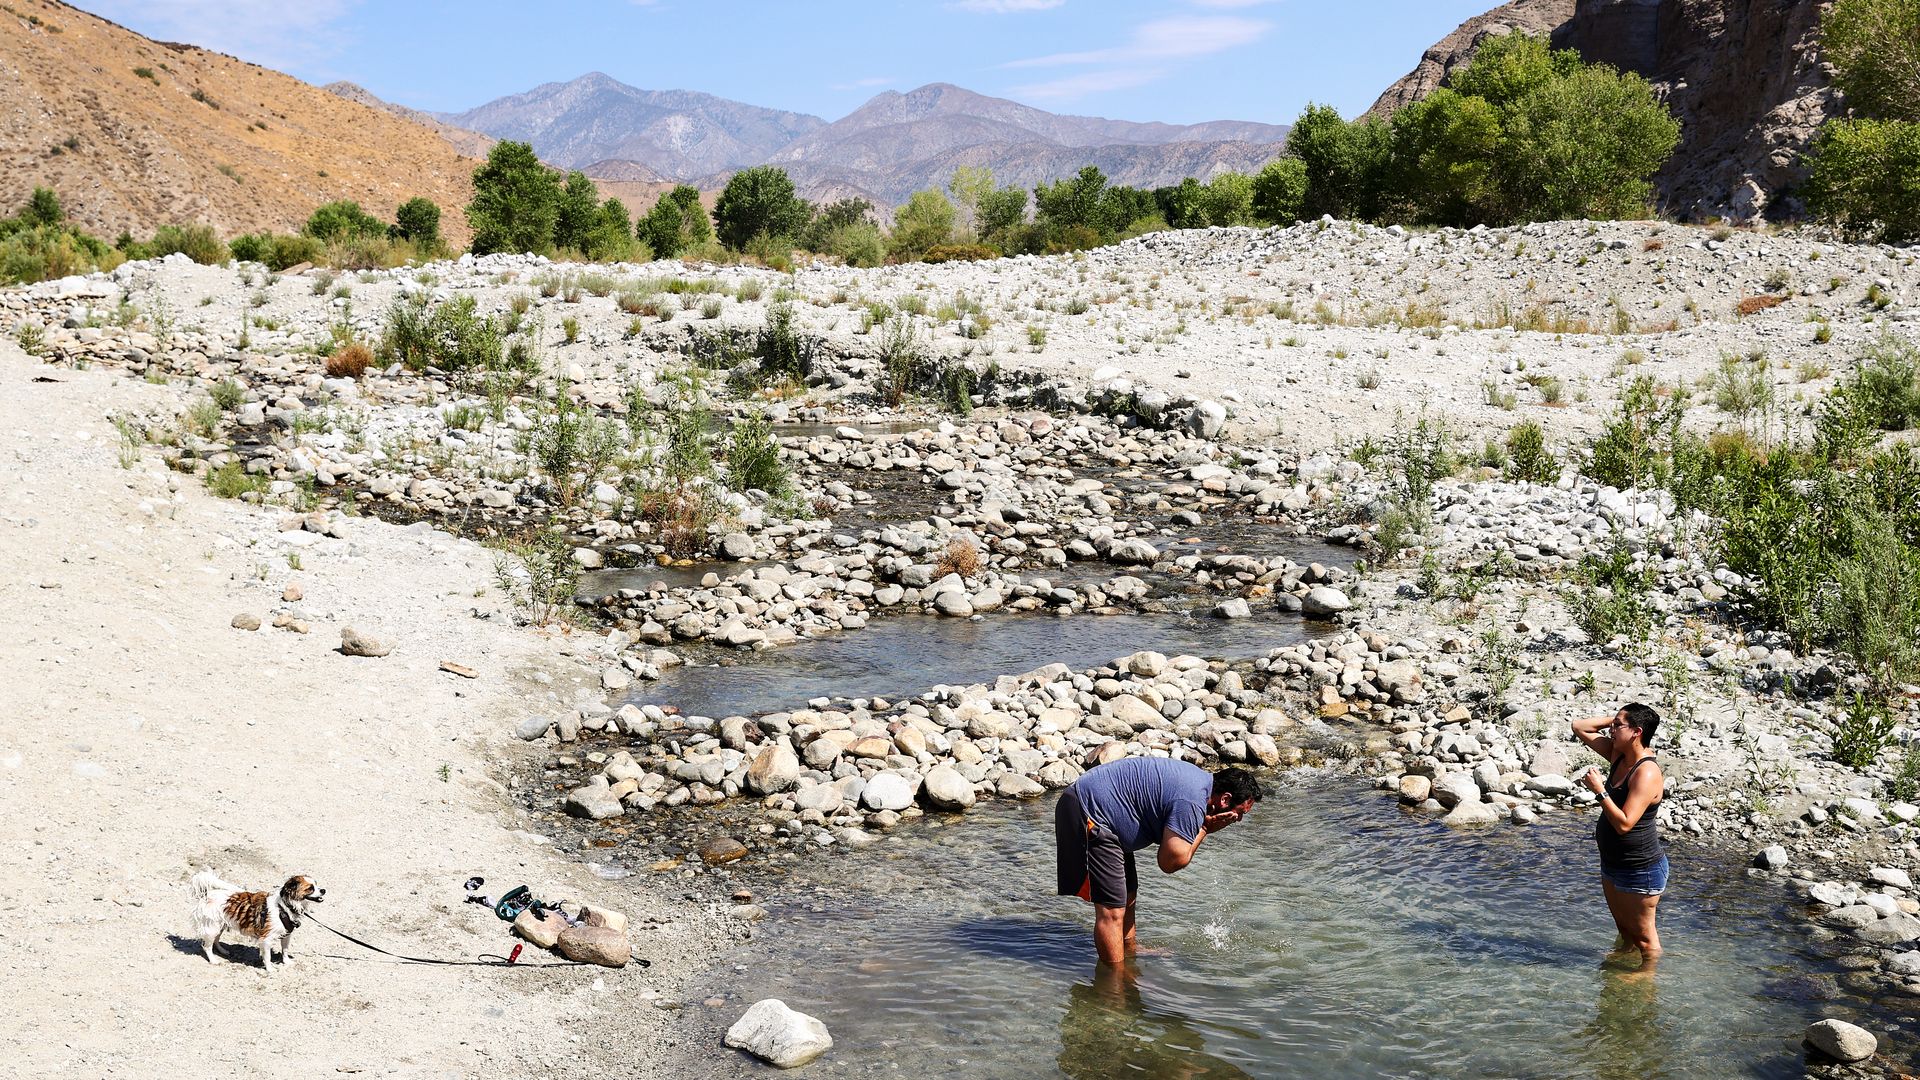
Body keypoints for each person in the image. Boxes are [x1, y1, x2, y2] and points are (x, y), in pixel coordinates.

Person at [1054, 757, 1262, 965]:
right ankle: (1114, 985)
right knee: (1112, 911)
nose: (1238, 820)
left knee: (1128, 895)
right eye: (1239, 813)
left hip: (1107, 813)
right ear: (1225, 800)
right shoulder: (1191, 801)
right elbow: (1169, 862)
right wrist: (1205, 829)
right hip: (1089, 812)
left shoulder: (1198, 784)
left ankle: (1130, 951)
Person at [1572, 703, 1668, 972]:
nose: (1611, 730)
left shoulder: (1646, 772)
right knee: (1624, 928)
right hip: (1614, 862)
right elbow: (1579, 726)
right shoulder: (1619, 755)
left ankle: (1647, 978)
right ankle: (1624, 953)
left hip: (1640, 868)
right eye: (1612, 725)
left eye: (1617, 726)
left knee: (1645, 938)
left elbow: (1625, 824)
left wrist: (1600, 791)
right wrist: (1618, 721)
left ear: (1637, 732)